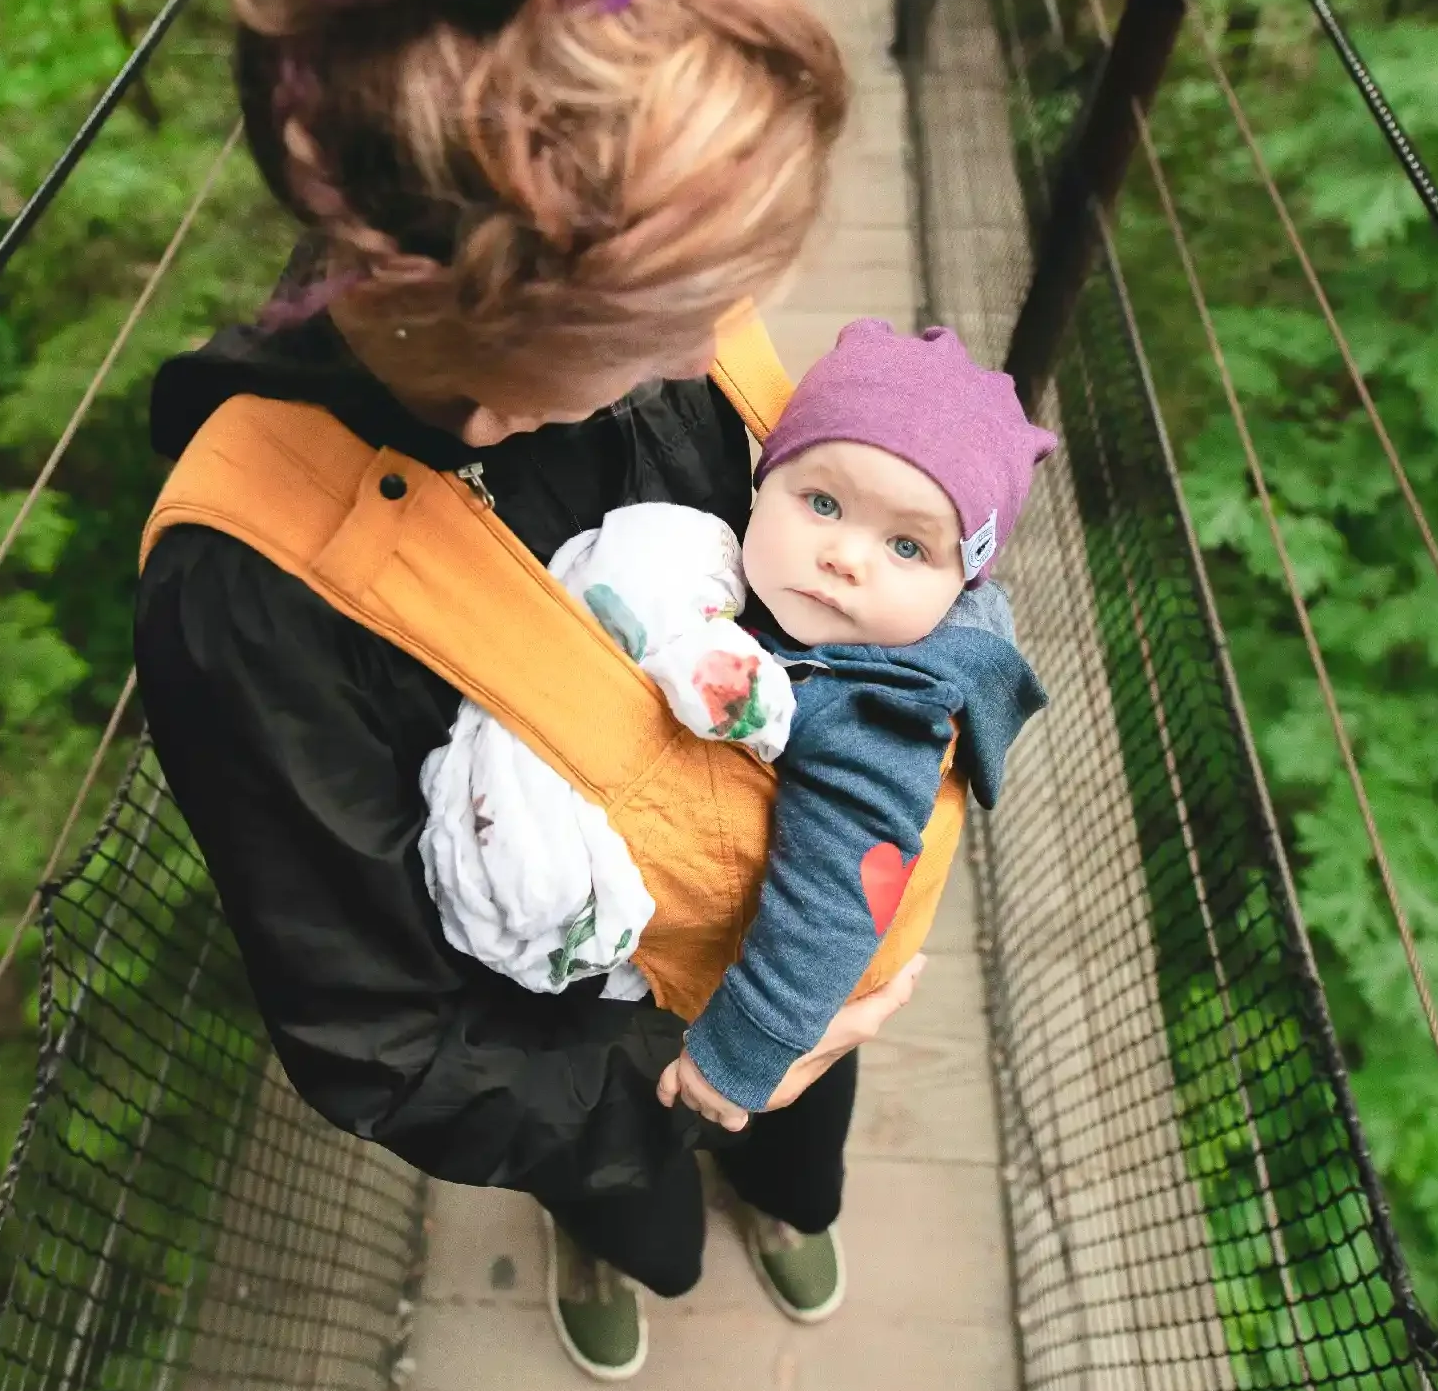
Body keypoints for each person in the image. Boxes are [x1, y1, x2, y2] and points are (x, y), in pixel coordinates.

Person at [132, 0, 925, 1385]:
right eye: (662, 326)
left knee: (803, 1135)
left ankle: (788, 1189)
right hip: (584, 1050)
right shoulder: (252, 595)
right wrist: (701, 1069)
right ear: (495, 350)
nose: (709, 353)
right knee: (637, 1196)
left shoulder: (644, 334)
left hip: (781, 910)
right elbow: (385, 1036)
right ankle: (625, 1230)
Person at [414, 320, 1056, 1147]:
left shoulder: (877, 713)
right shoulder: (803, 615)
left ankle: (792, 1201)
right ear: (767, 478)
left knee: (789, 1145)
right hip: (744, 961)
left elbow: (839, 891)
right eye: (822, 503)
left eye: (906, 545)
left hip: (780, 997)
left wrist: (743, 1054)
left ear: (960, 583)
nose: (844, 555)